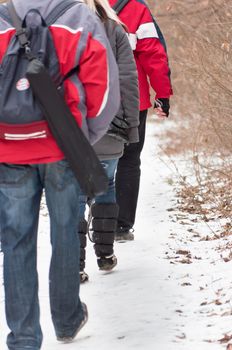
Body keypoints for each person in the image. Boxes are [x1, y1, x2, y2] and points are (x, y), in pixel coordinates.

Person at [0, 0, 120, 349]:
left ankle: (23, 338)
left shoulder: (2, 18)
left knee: (15, 241)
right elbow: (105, 89)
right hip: (62, 147)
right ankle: (67, 320)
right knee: (66, 230)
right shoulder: (78, 16)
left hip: (9, 148)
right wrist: (82, 136)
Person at [78, 0, 139, 282]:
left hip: (72, 128)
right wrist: (131, 126)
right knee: (106, 186)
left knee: (74, 194)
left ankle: (74, 265)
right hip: (110, 125)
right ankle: (104, 255)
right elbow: (128, 80)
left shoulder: (58, 29)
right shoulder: (116, 30)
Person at [109, 0, 173, 241]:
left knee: (93, 158)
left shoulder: (79, 5)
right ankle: (122, 226)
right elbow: (153, 53)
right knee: (129, 159)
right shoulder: (136, 8)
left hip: (90, 99)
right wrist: (163, 94)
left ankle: (97, 217)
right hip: (131, 99)